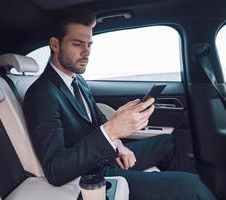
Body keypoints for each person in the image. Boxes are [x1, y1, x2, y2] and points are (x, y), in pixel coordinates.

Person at [23, 9, 216, 200]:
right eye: (77, 44)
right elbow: (55, 170)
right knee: (192, 186)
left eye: (89, 45)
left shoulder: (78, 81)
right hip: (90, 173)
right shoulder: (41, 94)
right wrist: (111, 131)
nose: (86, 52)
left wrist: (118, 144)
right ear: (55, 44)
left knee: (168, 142)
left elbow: (97, 120)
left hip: (105, 156)